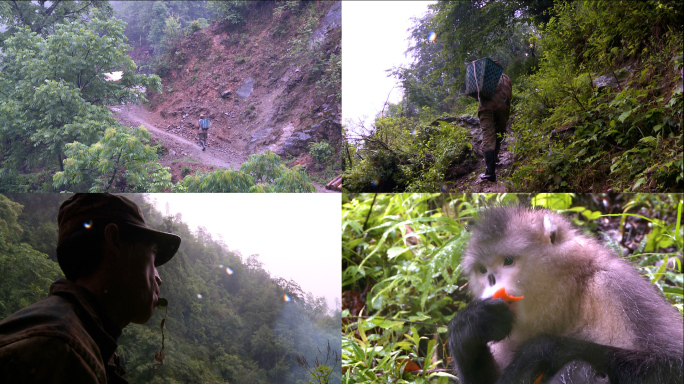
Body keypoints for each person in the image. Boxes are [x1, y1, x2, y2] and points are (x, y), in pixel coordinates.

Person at [0, 194, 181, 383]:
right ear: (114, 239)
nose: (158, 278)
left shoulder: (78, 340)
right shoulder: (62, 351)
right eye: (152, 257)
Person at [477, 60, 512, 182]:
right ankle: (495, 156)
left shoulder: (484, 74)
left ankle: (490, 172)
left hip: (486, 108)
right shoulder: (506, 79)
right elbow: (510, 96)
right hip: (503, 108)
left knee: (488, 136)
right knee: (500, 132)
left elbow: (477, 90)